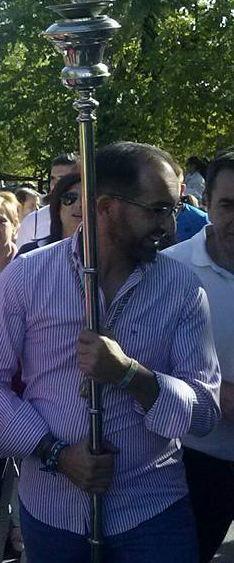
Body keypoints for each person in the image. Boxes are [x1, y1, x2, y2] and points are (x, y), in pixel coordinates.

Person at [0, 142, 221, 563]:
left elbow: (205, 412)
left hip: (153, 511)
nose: (170, 227)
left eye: (173, 210)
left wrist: (132, 375)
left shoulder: (182, 287)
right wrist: (56, 455)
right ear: (105, 207)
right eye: (157, 210)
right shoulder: (27, 277)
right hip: (52, 512)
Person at [163, 150, 234, 562]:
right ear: (204, 203)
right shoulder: (171, 271)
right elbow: (146, 364)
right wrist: (217, 395)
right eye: (229, 205)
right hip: (192, 465)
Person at [15, 152, 79, 248]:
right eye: (52, 179)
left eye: (62, 179)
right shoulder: (33, 221)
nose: (55, 185)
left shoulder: (91, 217)